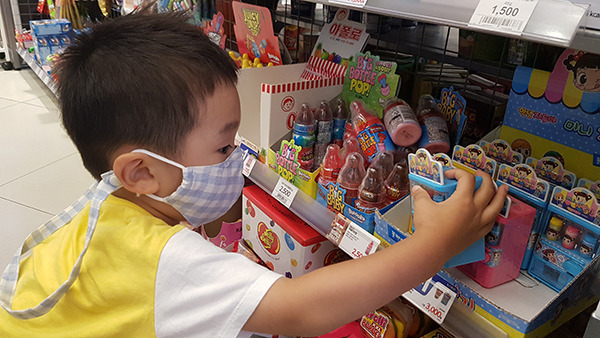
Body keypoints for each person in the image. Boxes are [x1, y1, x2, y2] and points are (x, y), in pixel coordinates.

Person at [0, 9, 507, 337]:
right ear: (140, 171)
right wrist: (434, 245)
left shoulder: (105, 210)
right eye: (224, 145)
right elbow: (300, 309)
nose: (239, 158)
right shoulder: (166, 262)